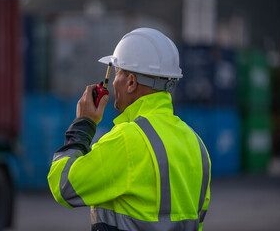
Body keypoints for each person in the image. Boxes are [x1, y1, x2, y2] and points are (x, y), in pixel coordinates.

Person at [47, 28, 211, 231]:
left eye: (116, 74)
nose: (113, 83)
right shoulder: (196, 144)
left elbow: (63, 185)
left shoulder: (127, 140)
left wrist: (83, 123)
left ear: (131, 82)